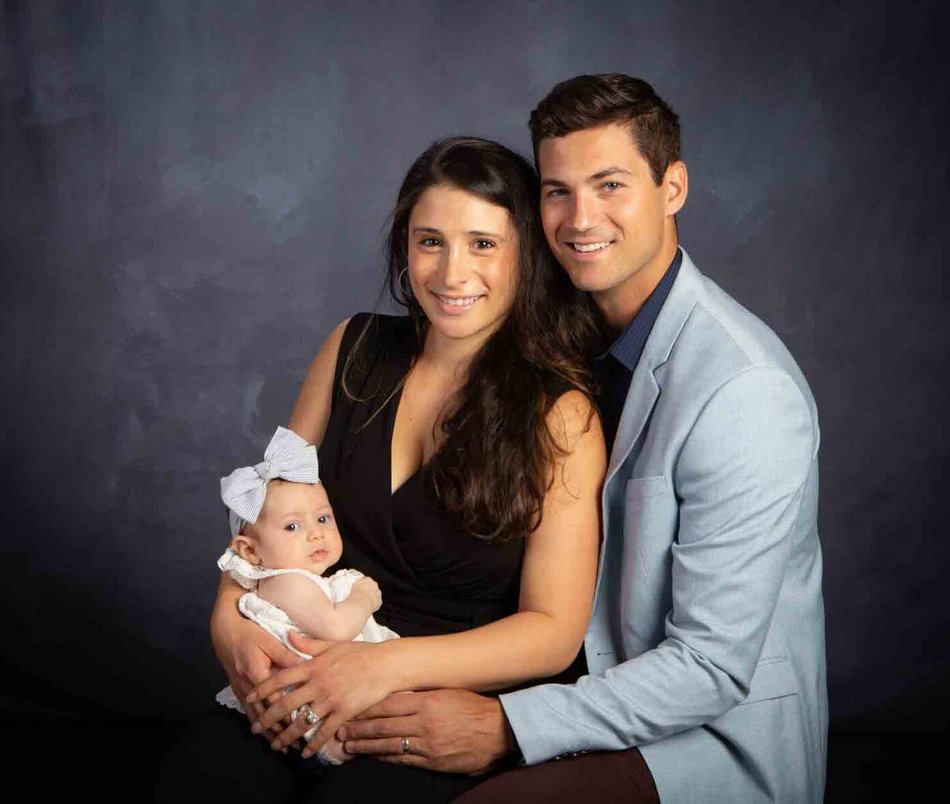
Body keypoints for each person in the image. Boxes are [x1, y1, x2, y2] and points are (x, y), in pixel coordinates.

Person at [337, 74, 828, 803]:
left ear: (673, 188)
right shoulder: (551, 326)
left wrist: (507, 725)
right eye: (557, 191)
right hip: (571, 688)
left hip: (699, 737)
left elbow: (711, 668)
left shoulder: (744, 390)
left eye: (610, 186)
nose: (579, 218)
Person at [156, 136, 606, 803]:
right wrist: (227, 616)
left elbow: (554, 633)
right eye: (431, 242)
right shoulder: (353, 348)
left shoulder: (561, 416)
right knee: (197, 780)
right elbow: (266, 510)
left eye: (483, 244)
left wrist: (381, 667)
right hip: (304, 677)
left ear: (526, 256)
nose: (452, 273)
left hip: (431, 707)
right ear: (405, 247)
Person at [213, 425, 398, 765]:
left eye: (323, 518)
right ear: (250, 551)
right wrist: (365, 596)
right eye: (292, 526)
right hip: (314, 706)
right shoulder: (286, 582)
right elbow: (336, 628)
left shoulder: (301, 579)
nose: (316, 534)